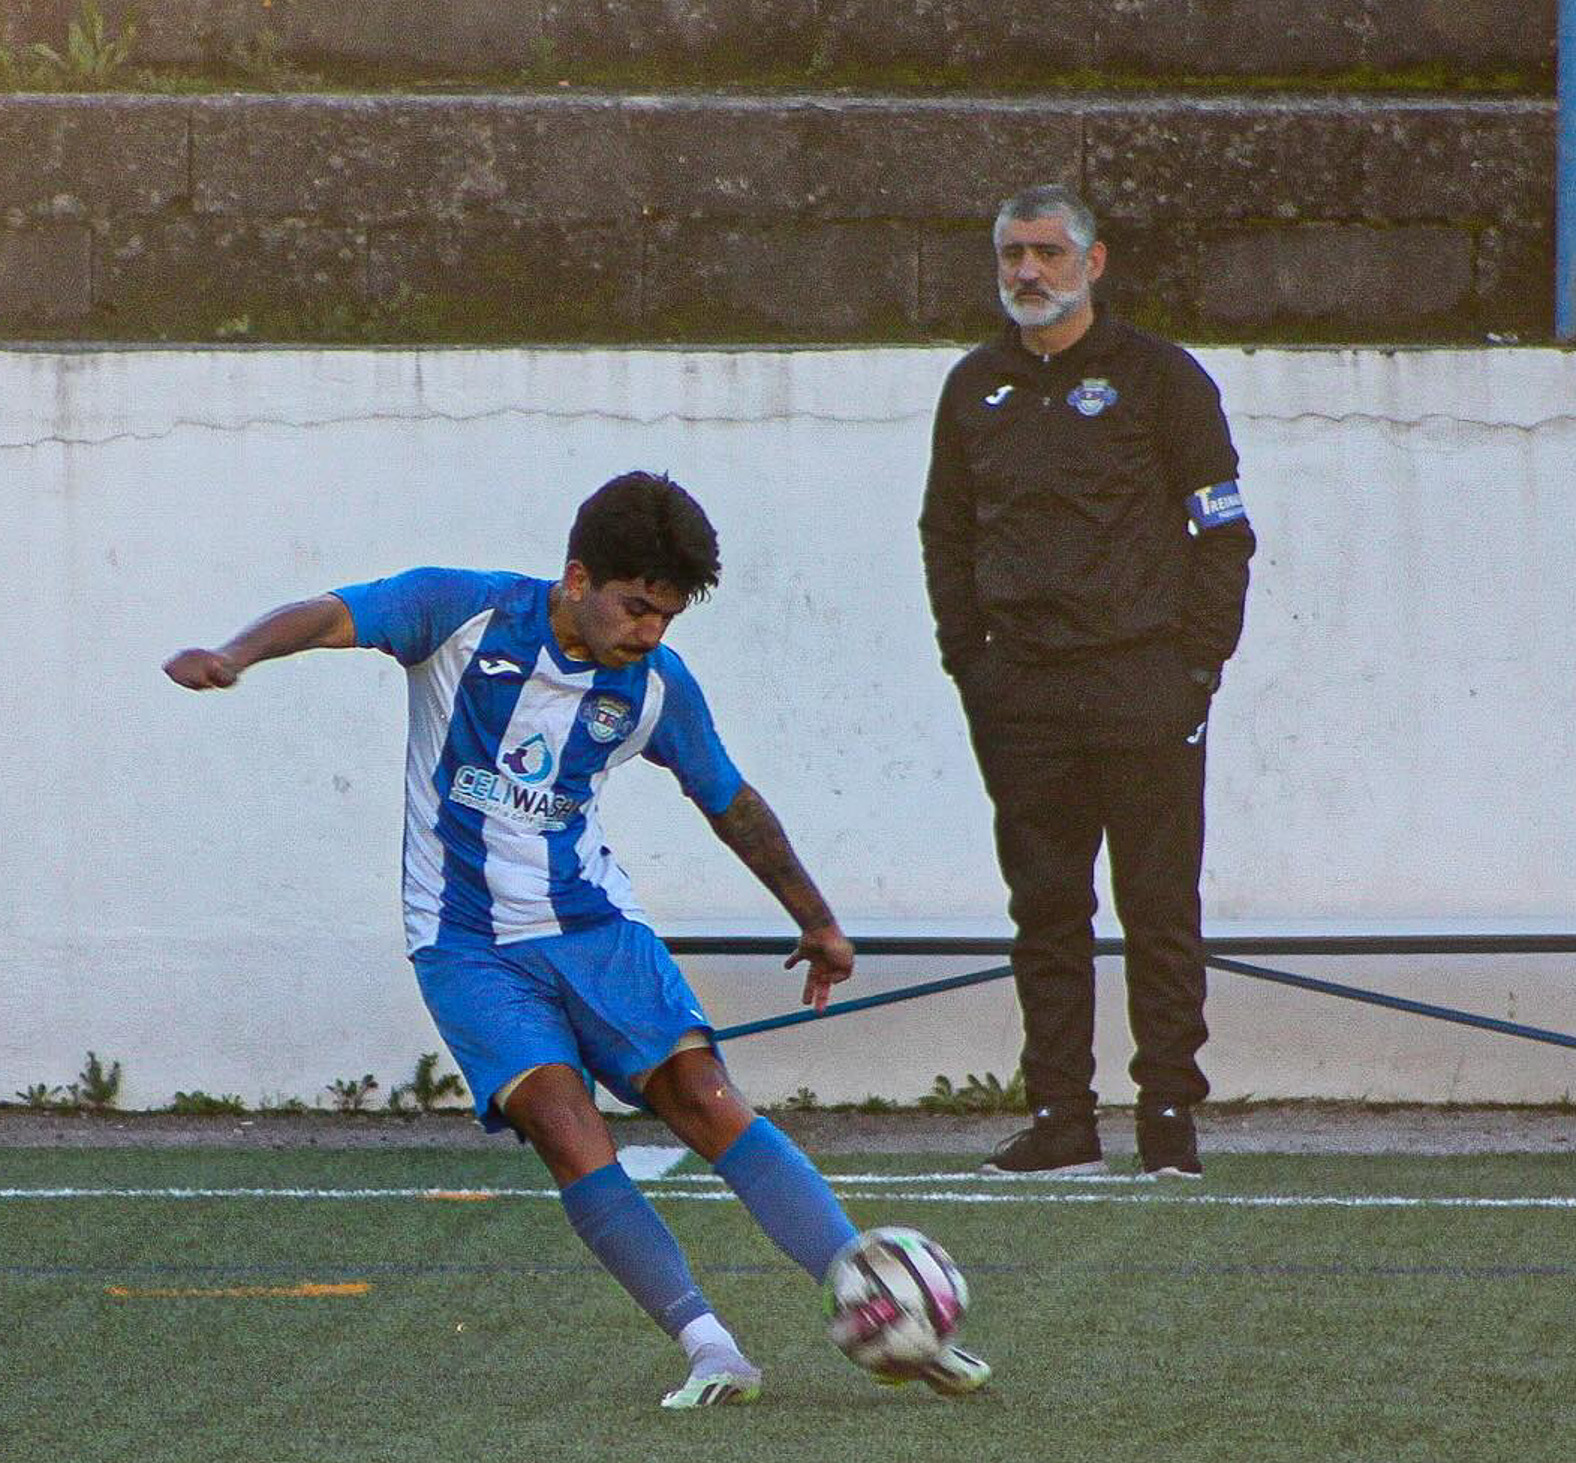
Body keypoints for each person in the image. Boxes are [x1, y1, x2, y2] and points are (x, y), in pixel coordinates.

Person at [167, 471, 991, 1407]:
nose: (647, 632)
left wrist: (818, 919)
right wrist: (235, 655)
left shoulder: (655, 686)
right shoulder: (459, 613)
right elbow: (327, 615)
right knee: (563, 1124)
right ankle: (712, 1348)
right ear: (576, 577)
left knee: (702, 1094)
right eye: (636, 607)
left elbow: (729, 799)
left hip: (595, 925)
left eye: (666, 618)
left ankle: (882, 1304)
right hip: (465, 942)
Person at [918, 185, 1257, 1180]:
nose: (1026, 272)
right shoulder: (971, 386)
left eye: (1046, 253)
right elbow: (945, 531)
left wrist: (1195, 663)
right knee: (1045, 910)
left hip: (1146, 683)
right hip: (1021, 692)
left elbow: (1222, 530)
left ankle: (1165, 1119)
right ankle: (1061, 1116)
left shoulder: (1162, 380)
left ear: (1092, 262)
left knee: (1157, 906)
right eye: (1010, 253)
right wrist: (967, 660)